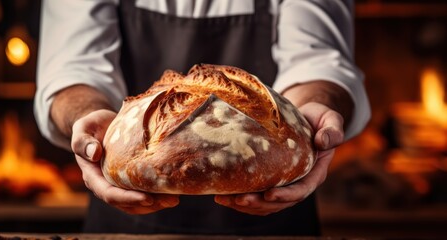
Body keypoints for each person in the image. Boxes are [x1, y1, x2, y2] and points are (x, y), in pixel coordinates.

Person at [34, 0, 370, 236]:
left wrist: (314, 109)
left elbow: (318, 58)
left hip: (277, 218)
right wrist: (88, 116)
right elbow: (74, 67)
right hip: (126, 225)